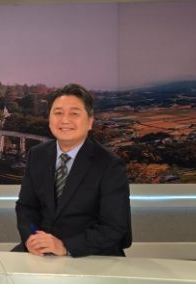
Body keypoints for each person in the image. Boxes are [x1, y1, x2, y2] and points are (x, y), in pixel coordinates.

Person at [13, 83, 131, 257]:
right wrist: (32, 237)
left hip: (90, 255)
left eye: (74, 113)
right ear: (49, 119)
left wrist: (65, 246)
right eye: (58, 113)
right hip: (42, 251)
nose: (65, 120)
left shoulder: (109, 165)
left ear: (90, 122)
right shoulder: (37, 155)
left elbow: (114, 227)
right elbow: (26, 207)